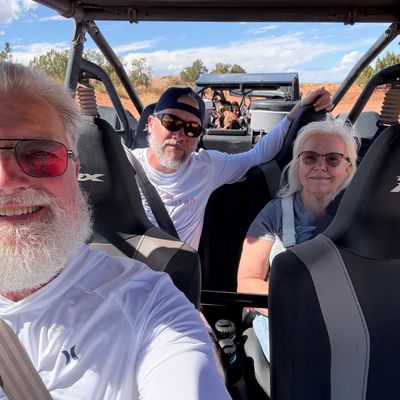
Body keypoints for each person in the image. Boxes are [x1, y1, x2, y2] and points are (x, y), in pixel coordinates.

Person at [0, 61, 231, 399]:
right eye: (171, 122)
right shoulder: (129, 161)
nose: (6, 181)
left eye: (40, 155)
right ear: (151, 124)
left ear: (76, 173)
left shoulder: (149, 307)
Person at [131, 86, 333, 250]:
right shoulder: (124, 164)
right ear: (151, 123)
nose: (179, 135)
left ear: (199, 135)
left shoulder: (206, 167)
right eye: (171, 122)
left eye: (191, 128)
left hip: (175, 278)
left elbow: (257, 155)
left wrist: (298, 109)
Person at [237, 118, 359, 361]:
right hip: (282, 315)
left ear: (348, 167)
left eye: (333, 159)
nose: (320, 166)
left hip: (342, 319)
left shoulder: (358, 216)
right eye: (309, 157)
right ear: (297, 164)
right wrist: (303, 307)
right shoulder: (274, 215)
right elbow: (247, 282)